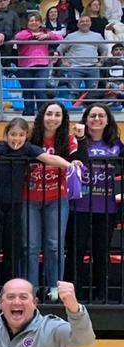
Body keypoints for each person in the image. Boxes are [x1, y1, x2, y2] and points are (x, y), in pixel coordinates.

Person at [0, 118, 72, 299]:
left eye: (21, 135)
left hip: (15, 205)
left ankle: (8, 286)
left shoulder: (28, 149)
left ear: (26, 136)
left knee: (12, 248)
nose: (16, 139)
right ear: (7, 134)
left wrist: (70, 165)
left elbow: (49, 158)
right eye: (13, 134)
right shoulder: (0, 147)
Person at [24, 101, 81, 301]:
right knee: (30, 246)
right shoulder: (30, 136)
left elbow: (78, 158)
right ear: (42, 116)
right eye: (49, 114)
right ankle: (30, 289)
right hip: (29, 197)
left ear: (63, 118)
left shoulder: (69, 139)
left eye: (57, 114)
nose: (53, 118)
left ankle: (54, 287)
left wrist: (77, 151)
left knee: (54, 245)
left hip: (57, 197)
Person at [67, 104, 122, 300]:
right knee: (76, 251)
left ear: (108, 120)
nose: (96, 119)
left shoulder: (117, 144)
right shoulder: (76, 142)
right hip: (78, 206)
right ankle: (75, 294)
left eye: (101, 115)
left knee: (101, 251)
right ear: (86, 119)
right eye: (92, 115)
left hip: (106, 207)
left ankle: (102, 294)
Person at [14, 13, 62, 116]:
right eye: (31, 20)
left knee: (40, 89)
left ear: (40, 22)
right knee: (27, 92)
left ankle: (42, 114)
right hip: (25, 66)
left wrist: (47, 35)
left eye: (36, 20)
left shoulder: (46, 33)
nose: (34, 22)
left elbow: (60, 38)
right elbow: (18, 37)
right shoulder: (23, 32)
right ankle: (29, 114)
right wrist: (34, 35)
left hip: (42, 65)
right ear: (27, 23)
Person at [57, 15, 108, 101]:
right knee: (73, 92)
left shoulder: (97, 36)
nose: (84, 23)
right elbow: (60, 49)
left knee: (93, 93)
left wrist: (101, 62)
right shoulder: (71, 36)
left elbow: (105, 50)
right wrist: (64, 61)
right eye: (82, 21)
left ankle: (92, 111)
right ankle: (72, 112)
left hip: (93, 67)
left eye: (87, 21)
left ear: (90, 23)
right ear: (78, 24)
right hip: (75, 68)